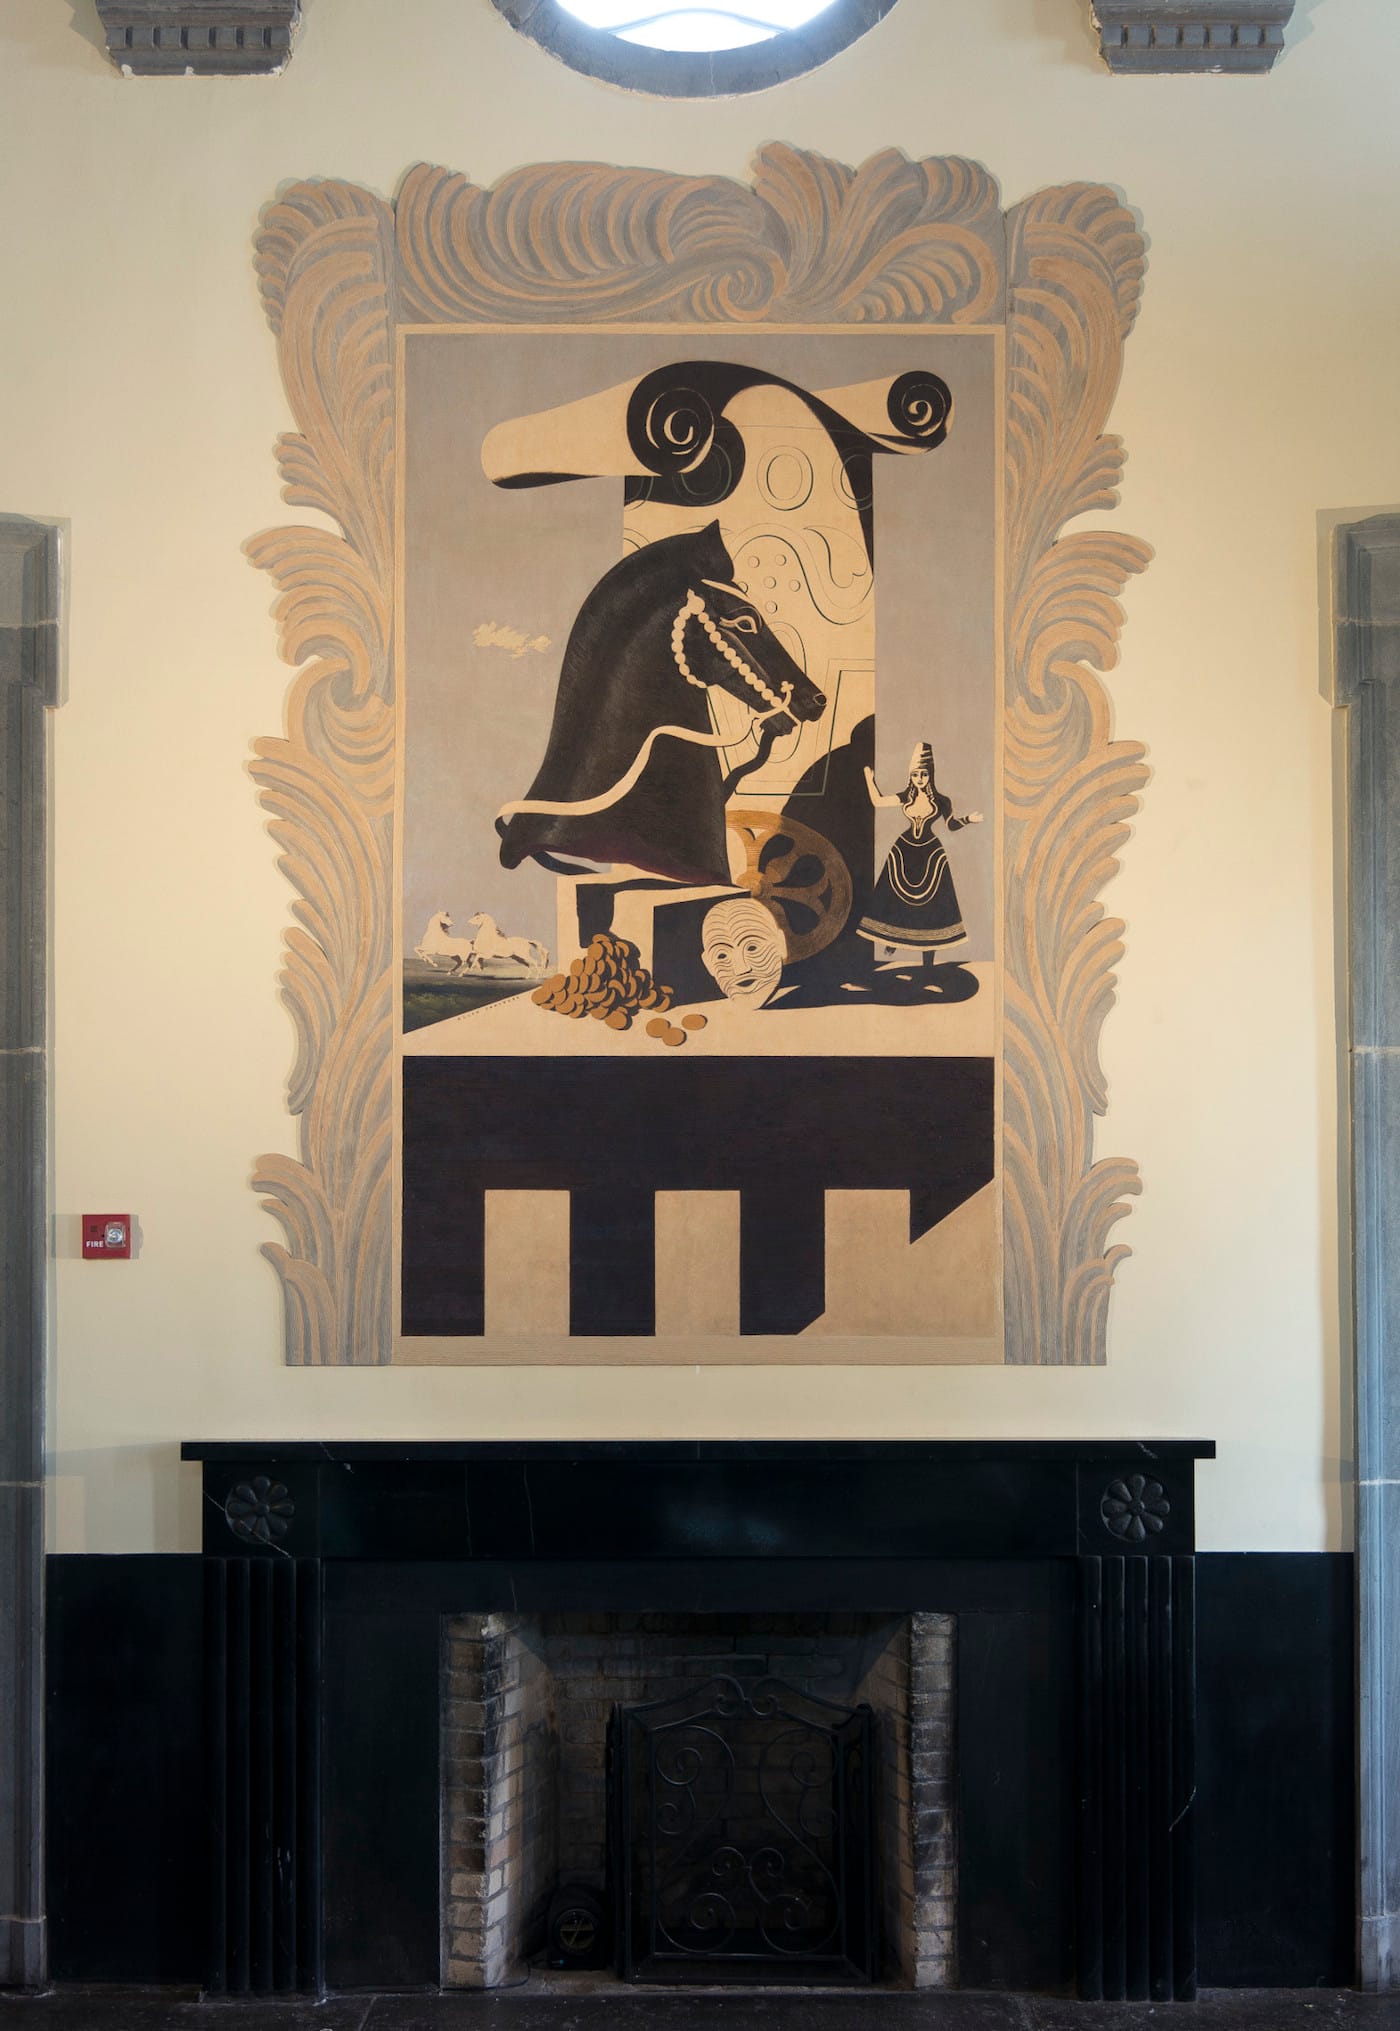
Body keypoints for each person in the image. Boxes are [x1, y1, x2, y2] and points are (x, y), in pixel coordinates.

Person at [856, 741, 982, 960]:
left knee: (931, 906)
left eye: (924, 774)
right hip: (903, 851)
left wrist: (969, 819)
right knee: (893, 899)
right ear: (910, 776)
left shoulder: (942, 801)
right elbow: (878, 801)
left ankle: (928, 962)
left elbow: (951, 825)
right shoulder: (907, 796)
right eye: (915, 775)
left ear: (930, 774)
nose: (920, 778)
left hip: (931, 855)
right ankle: (893, 940)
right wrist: (869, 778)